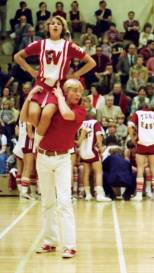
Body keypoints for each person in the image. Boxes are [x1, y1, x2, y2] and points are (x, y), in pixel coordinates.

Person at [20, 79, 86, 258]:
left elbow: (66, 115)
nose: (77, 94)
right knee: (47, 202)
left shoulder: (79, 110)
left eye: (79, 91)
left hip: (63, 159)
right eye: (73, 91)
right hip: (42, 157)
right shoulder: (51, 107)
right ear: (66, 92)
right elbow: (26, 118)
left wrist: (59, 97)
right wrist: (30, 96)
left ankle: (70, 245)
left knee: (64, 202)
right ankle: (50, 241)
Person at [14, 16, 96, 151]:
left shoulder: (69, 46)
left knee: (46, 115)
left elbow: (91, 62)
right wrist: (30, 70)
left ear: (63, 28)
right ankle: (41, 135)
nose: (55, 25)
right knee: (33, 114)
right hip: (41, 84)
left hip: (57, 87)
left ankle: (37, 145)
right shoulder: (41, 43)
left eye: (58, 24)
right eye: (52, 23)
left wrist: (76, 74)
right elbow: (18, 56)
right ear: (48, 27)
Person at [128, 102, 154, 201]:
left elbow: (130, 125)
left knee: (140, 168)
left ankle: (139, 195)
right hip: (152, 144)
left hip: (141, 143)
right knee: (153, 168)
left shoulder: (137, 114)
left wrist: (133, 138)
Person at [77, 116, 111, 202]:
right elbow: (98, 135)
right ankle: (99, 194)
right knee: (98, 172)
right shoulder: (95, 123)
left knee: (86, 172)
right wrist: (100, 147)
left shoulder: (82, 124)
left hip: (83, 151)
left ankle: (88, 195)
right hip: (92, 151)